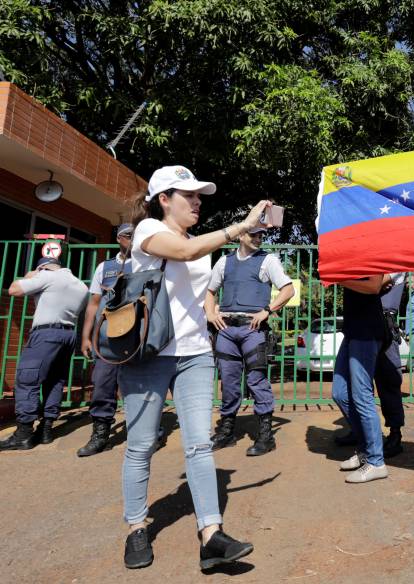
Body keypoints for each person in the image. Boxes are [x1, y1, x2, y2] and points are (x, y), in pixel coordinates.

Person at [118, 165, 265, 570]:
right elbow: (182, 253)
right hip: (149, 353)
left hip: (196, 353)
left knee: (199, 444)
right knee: (141, 445)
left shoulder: (201, 244)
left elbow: (199, 293)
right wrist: (239, 227)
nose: (198, 201)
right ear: (164, 199)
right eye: (189, 195)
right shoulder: (149, 230)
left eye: (200, 195)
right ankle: (136, 528)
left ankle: (211, 535)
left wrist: (216, 312)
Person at [205, 226, 295, 456]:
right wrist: (211, 314)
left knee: (256, 379)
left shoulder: (268, 261)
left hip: (252, 329)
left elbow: (288, 289)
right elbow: (210, 291)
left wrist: (268, 310)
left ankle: (265, 435)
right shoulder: (224, 262)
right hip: (225, 328)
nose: (258, 238)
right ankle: (227, 432)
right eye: (253, 234)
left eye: (261, 235)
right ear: (240, 236)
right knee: (228, 381)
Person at [78, 224, 166, 457]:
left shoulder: (150, 263)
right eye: (129, 236)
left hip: (139, 334)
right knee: (102, 384)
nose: (134, 240)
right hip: (109, 337)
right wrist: (86, 337)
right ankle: (100, 434)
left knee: (144, 385)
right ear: (119, 238)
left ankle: (151, 431)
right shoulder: (104, 267)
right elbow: (93, 304)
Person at [0, 256, 88, 450]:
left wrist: (32, 275)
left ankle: (23, 434)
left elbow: (15, 289)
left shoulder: (49, 277)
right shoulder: (81, 285)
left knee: (27, 379)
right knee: (55, 381)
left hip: (46, 334)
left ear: (44, 268)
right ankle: (46, 429)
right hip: (68, 335)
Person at [334, 272, 407, 458]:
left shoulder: (395, 262)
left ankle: (395, 435)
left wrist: (361, 282)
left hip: (383, 325)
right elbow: (371, 284)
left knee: (388, 381)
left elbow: (374, 284)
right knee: (353, 386)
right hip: (361, 322)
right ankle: (361, 433)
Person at [331, 274, 392, 483]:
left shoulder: (371, 250)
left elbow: (374, 285)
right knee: (340, 393)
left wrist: (338, 279)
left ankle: (376, 462)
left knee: (362, 396)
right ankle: (367, 449)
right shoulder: (350, 255)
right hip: (352, 331)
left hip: (366, 332)